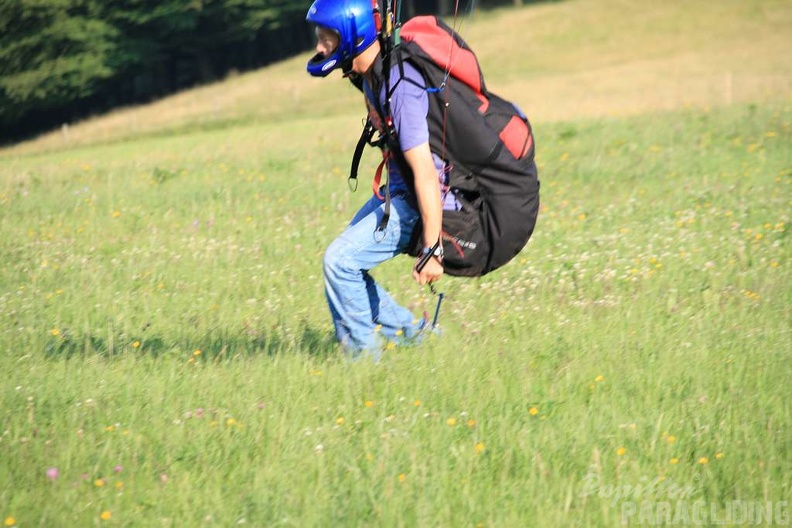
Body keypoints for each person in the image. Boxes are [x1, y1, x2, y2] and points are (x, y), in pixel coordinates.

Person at [306, 0, 446, 360]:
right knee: (347, 267)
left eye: (327, 37)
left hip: (415, 201)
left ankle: (364, 366)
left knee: (340, 262)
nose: (320, 47)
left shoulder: (399, 84)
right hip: (397, 192)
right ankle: (419, 338)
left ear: (352, 34)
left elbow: (427, 174)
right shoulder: (369, 75)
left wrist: (432, 248)